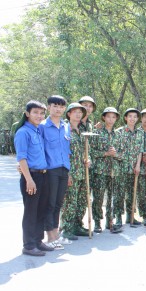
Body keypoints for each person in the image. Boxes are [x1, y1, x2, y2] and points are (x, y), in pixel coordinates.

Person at [14, 100, 53, 256]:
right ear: (27, 114)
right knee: (31, 212)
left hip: (43, 175)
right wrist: (29, 179)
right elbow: (21, 158)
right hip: (31, 177)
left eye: (42, 113)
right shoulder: (23, 132)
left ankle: (38, 241)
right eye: (35, 112)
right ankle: (29, 245)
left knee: (41, 211)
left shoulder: (38, 131)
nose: (39, 115)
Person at [40, 95, 71, 246]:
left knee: (58, 203)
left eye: (61, 107)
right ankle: (50, 237)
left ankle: (56, 234)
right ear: (49, 107)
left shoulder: (66, 126)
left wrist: (69, 172)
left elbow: (67, 150)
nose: (58, 109)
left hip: (64, 169)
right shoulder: (42, 126)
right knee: (50, 203)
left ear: (64, 109)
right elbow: (39, 149)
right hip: (50, 170)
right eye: (55, 106)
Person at [90, 107, 123, 232]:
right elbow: (91, 151)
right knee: (98, 197)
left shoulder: (118, 135)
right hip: (100, 170)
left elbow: (123, 154)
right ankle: (97, 222)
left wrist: (115, 155)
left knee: (111, 198)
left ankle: (110, 221)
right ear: (104, 117)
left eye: (113, 117)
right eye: (108, 116)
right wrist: (105, 153)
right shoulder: (97, 132)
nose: (111, 119)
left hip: (114, 171)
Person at [60, 103, 90, 240]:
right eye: (75, 112)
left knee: (82, 201)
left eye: (80, 112)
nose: (78, 114)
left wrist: (88, 160)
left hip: (83, 173)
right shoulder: (64, 129)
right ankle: (66, 228)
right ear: (68, 114)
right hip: (71, 172)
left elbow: (86, 151)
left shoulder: (81, 130)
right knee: (70, 202)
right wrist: (68, 174)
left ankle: (77, 226)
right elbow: (63, 153)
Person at [115, 108, 144, 226]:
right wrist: (120, 159)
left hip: (134, 168)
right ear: (126, 118)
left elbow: (140, 151)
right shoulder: (119, 132)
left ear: (137, 119)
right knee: (119, 194)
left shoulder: (140, 133)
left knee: (132, 193)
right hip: (121, 167)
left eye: (135, 117)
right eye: (130, 116)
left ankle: (130, 216)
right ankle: (117, 218)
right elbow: (115, 150)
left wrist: (138, 165)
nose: (132, 119)